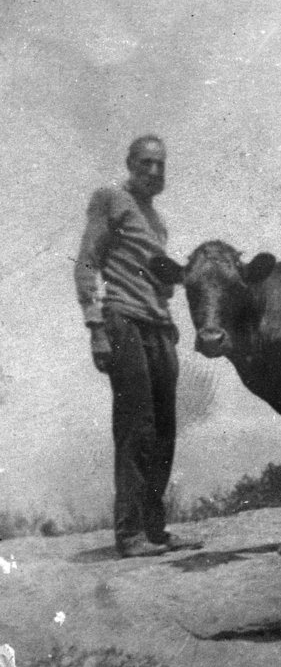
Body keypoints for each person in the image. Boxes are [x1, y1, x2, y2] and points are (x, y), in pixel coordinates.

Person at [74, 135, 201, 558]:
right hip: (123, 320)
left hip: (158, 327)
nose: (153, 171)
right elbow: (88, 261)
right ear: (130, 164)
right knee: (136, 425)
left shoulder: (156, 220)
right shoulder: (110, 198)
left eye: (160, 164)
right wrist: (96, 325)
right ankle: (129, 535)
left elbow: (157, 283)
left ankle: (155, 529)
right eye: (145, 163)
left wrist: (170, 289)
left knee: (165, 429)